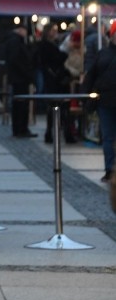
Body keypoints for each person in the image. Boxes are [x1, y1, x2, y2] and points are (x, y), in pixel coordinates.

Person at [83, 21, 116, 182]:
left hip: (106, 100)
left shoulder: (103, 54)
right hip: (106, 102)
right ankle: (110, 169)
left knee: (109, 137)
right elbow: (91, 76)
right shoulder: (103, 54)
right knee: (108, 137)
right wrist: (86, 96)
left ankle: (111, 169)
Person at [38, 23, 75, 144]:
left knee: (56, 108)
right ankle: (58, 133)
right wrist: (65, 52)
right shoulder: (47, 46)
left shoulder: (50, 45)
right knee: (59, 108)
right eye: (53, 30)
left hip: (55, 80)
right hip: (55, 81)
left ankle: (53, 133)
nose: (56, 32)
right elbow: (57, 59)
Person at [5, 25, 37, 138]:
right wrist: (27, 73)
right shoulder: (16, 42)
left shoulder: (14, 41)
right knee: (21, 104)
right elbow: (17, 60)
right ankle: (20, 128)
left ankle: (20, 128)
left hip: (18, 77)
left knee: (20, 104)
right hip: (20, 78)